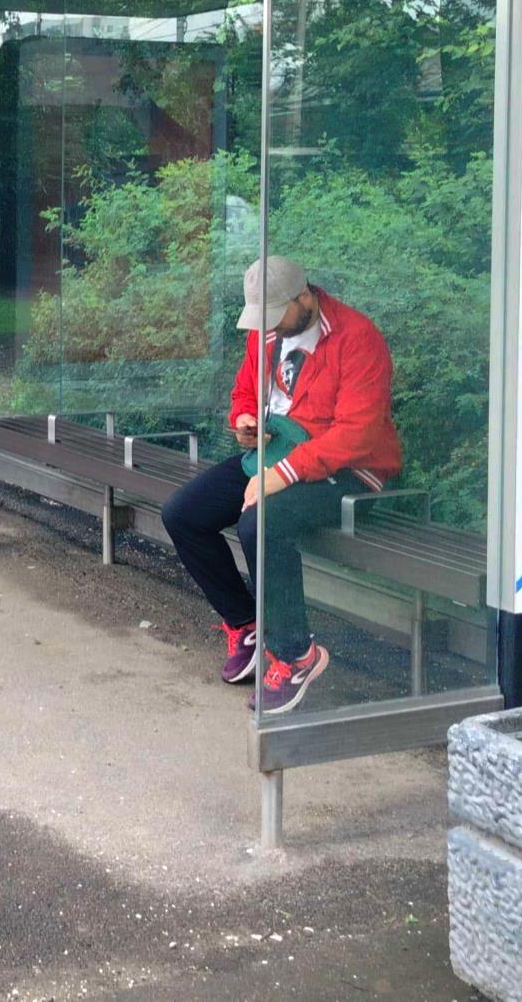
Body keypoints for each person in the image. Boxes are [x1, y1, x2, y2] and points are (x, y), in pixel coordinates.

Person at [161, 255, 401, 715]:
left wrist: (281, 475)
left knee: (259, 523)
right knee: (183, 515)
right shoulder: (266, 332)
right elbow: (244, 393)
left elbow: (358, 434)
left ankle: (295, 656)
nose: (269, 326)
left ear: (304, 297)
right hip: (276, 454)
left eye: (276, 315)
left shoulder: (358, 338)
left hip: (349, 473)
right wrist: (244, 421)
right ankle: (246, 624)